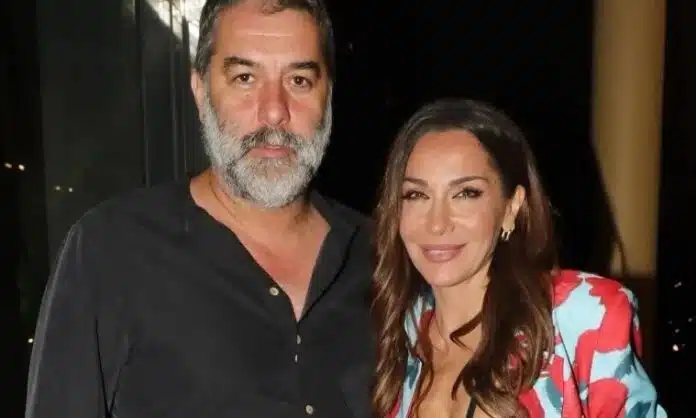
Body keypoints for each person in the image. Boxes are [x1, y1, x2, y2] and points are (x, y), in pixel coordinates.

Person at [25, 1, 374, 417]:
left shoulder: (381, 257)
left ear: (328, 95)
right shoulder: (112, 250)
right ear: (200, 90)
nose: (274, 111)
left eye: (299, 80)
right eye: (245, 78)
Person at [371, 98, 667, 418]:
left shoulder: (582, 317)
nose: (437, 223)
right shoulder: (397, 331)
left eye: (466, 193)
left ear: (511, 207)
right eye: (416, 195)